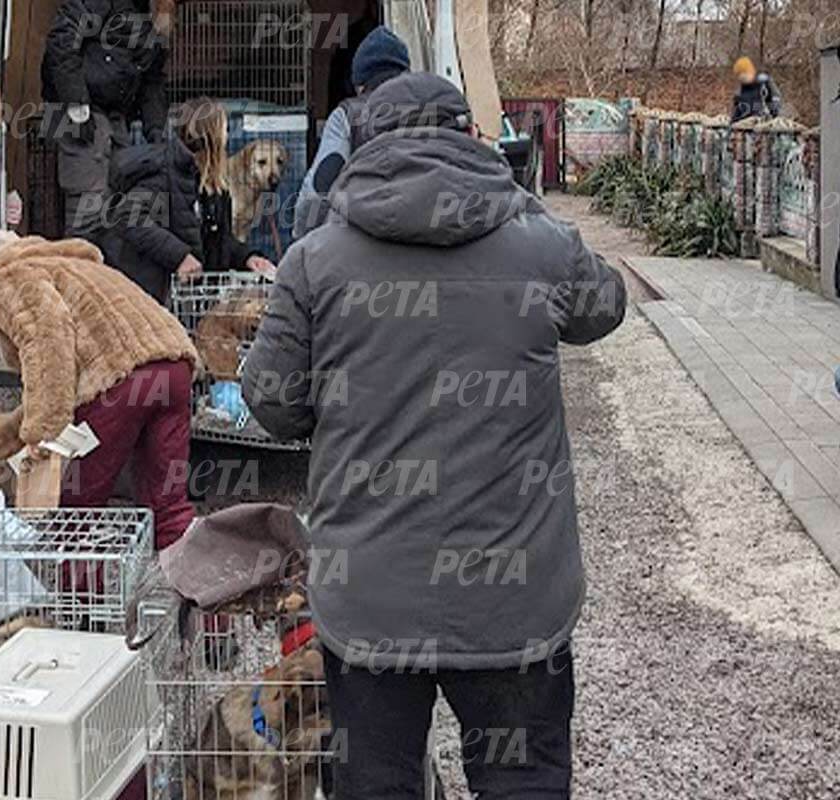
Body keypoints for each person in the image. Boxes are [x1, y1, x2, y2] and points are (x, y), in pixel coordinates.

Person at [241, 73, 627, 799]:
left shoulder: (315, 262)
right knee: (523, 782)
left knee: (376, 782)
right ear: (471, 138)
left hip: (370, 601)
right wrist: (526, 208)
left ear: (363, 145)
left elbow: (272, 403)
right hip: (514, 596)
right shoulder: (537, 245)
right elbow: (605, 306)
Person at [0, 231, 199, 551]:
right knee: (166, 502)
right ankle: (202, 585)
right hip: (174, 367)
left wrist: (43, 435)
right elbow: (55, 387)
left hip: (120, 379)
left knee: (74, 507)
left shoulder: (8, 275)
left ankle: (79, 597)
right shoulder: (74, 265)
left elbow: (47, 349)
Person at [42, 0, 176, 239]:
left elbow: (152, 82)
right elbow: (62, 39)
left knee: (118, 208)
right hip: (84, 110)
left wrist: (155, 130)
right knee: (87, 208)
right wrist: (77, 104)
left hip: (115, 116)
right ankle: (79, 270)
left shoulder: (150, 20)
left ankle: (103, 270)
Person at [292, 25, 411, 239]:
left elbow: (317, 191)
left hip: (365, 241)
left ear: (358, 84)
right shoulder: (433, 108)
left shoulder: (347, 116)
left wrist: (301, 239)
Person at [98, 130, 205, 304]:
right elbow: (129, 217)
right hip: (141, 288)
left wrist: (245, 257)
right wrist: (179, 256)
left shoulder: (201, 178)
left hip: (176, 291)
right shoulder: (164, 171)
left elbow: (211, 237)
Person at [174, 97, 277, 276]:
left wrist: (248, 257)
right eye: (225, 130)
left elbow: (222, 243)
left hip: (202, 288)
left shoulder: (217, 187)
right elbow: (136, 225)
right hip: (167, 288)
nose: (227, 137)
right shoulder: (168, 174)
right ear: (212, 137)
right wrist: (178, 256)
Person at [731, 56, 782, 124]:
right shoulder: (739, 93)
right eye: (739, 76)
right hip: (745, 125)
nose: (742, 78)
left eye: (744, 74)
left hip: (763, 123)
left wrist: (772, 112)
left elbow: (775, 100)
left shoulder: (764, 84)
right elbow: (736, 113)